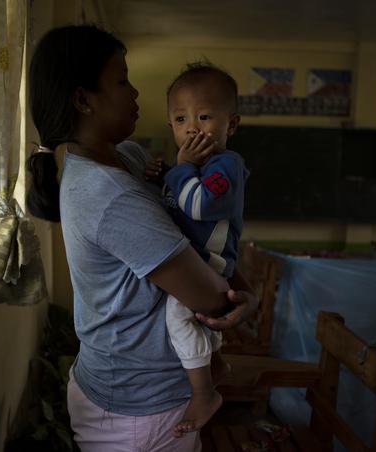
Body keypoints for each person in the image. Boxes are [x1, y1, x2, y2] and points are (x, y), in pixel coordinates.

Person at [25, 25, 257, 452]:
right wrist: (240, 298)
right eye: (122, 80)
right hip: (139, 410)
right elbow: (208, 296)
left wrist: (244, 290)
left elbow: (191, 233)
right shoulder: (107, 194)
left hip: (134, 392)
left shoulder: (128, 158)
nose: (135, 93)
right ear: (83, 99)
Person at [145, 62, 249, 437]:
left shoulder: (227, 165)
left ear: (231, 125)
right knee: (191, 320)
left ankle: (204, 393)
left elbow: (199, 206)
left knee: (177, 315)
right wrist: (165, 180)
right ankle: (215, 364)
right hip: (195, 261)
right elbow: (177, 204)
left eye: (204, 116)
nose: (192, 127)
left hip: (211, 266)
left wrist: (179, 169)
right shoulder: (193, 168)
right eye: (180, 118)